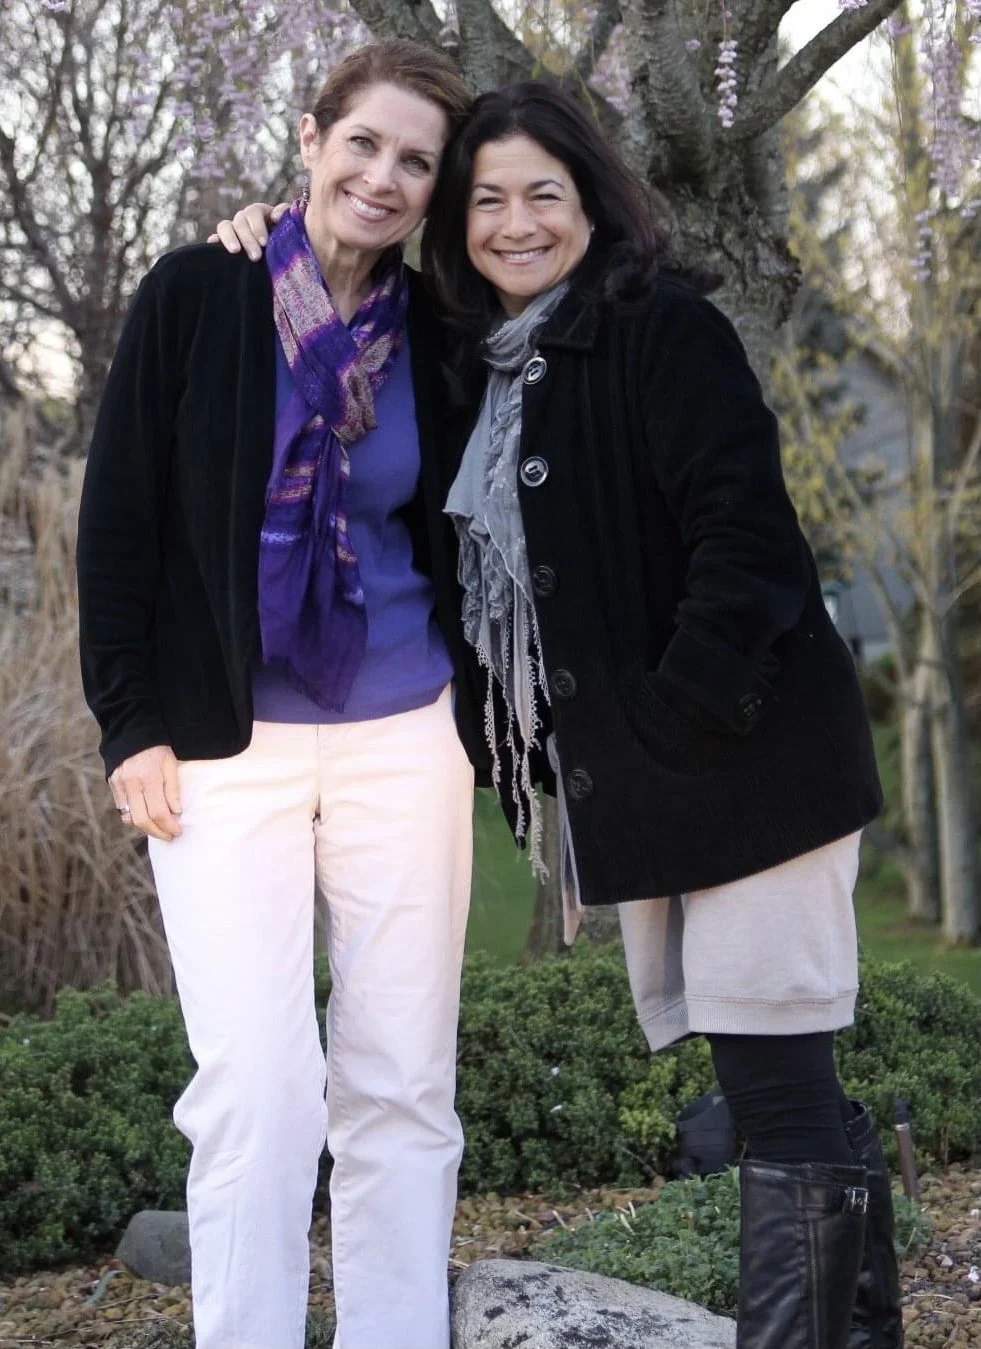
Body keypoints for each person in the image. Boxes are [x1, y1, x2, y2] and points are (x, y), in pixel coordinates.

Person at [218, 80, 902, 1349]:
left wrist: (666, 722)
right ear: (456, 223)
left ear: (594, 202)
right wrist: (270, 226)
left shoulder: (662, 328)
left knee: (778, 1088)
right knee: (783, 1092)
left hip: (752, 768)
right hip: (664, 784)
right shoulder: (477, 364)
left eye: (546, 193)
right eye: (487, 200)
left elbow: (750, 548)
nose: (517, 222)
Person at [76, 40, 487, 1349]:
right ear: (311, 137)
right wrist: (130, 723)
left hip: (405, 733)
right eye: (362, 142)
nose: (382, 176)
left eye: (415, 160)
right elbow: (120, 519)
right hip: (222, 741)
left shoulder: (442, 327)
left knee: (402, 1080)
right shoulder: (203, 291)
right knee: (256, 1084)